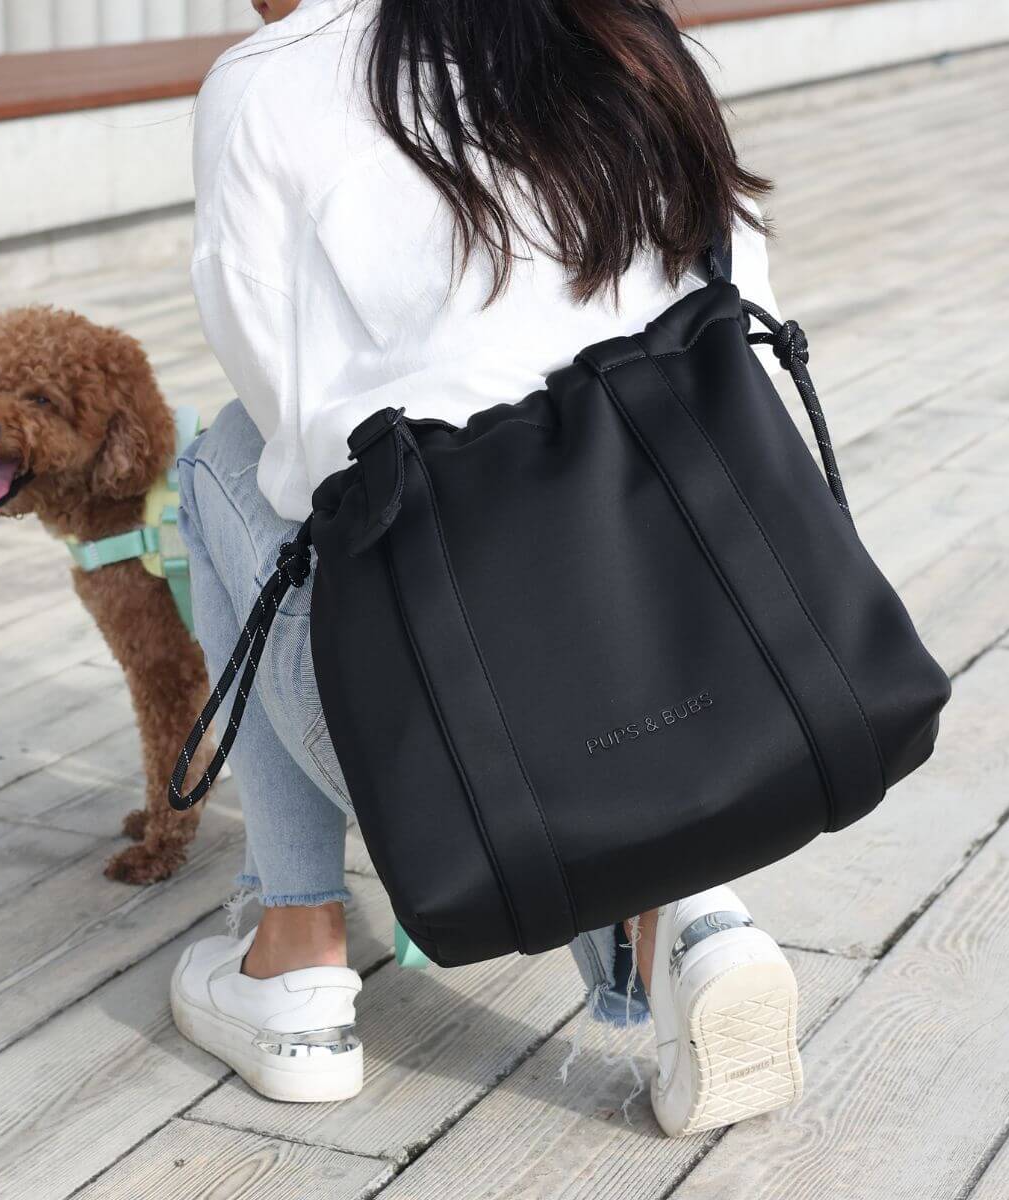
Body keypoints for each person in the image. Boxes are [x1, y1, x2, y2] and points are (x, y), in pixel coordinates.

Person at [169, 0, 802, 1134]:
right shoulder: (617, 27)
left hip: (464, 759)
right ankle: (685, 918)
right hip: (736, 666)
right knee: (572, 573)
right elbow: (743, 319)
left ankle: (296, 954)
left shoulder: (269, 81)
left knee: (222, 456)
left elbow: (303, 447)